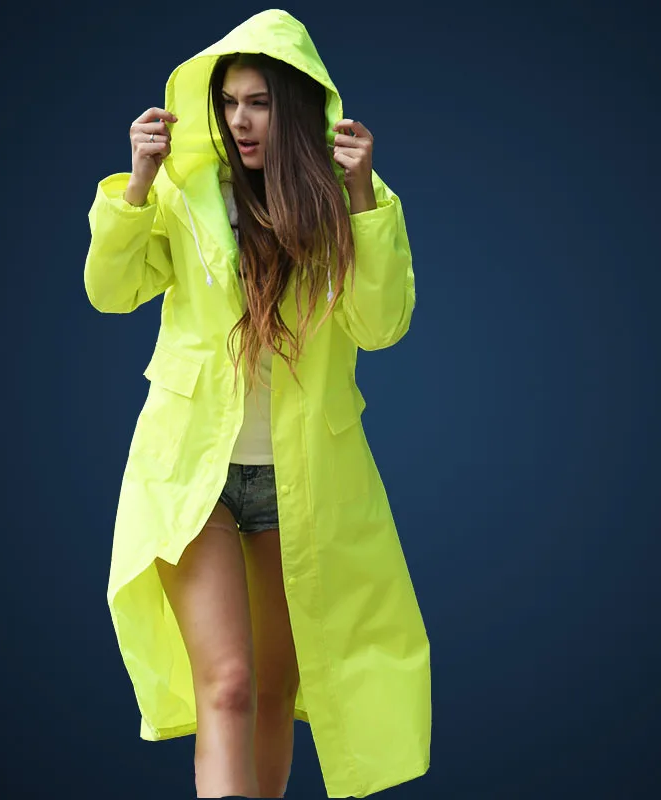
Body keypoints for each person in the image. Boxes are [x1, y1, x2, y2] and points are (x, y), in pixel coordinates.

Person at [83, 9, 431, 799]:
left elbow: (380, 327)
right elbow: (110, 290)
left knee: (276, 690)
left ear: (298, 107)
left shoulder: (350, 203)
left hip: (302, 483)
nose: (240, 120)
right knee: (230, 685)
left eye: (260, 103)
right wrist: (137, 183)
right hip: (192, 478)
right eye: (229, 102)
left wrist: (362, 197)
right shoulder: (183, 194)